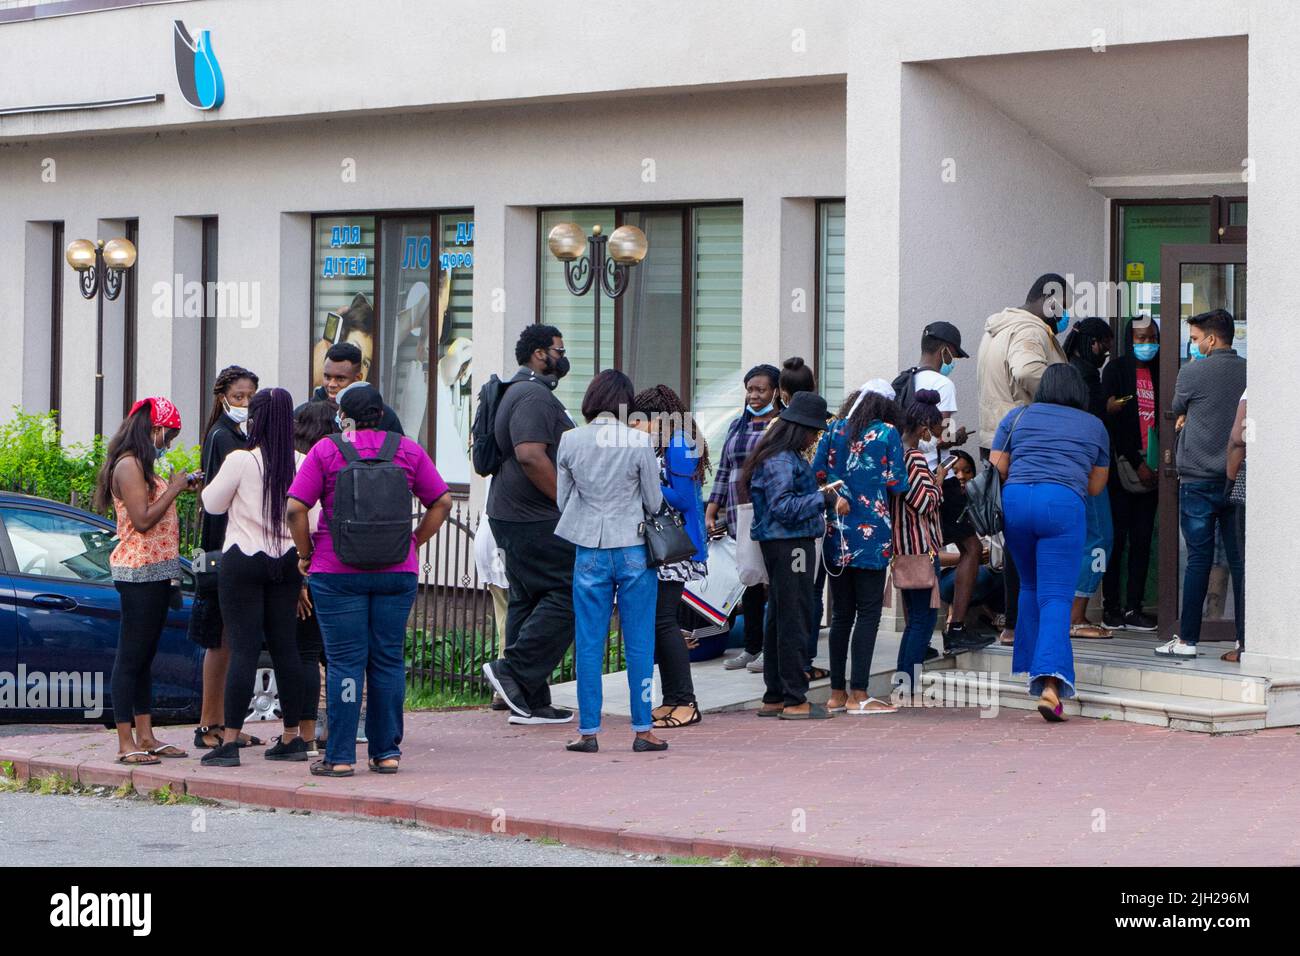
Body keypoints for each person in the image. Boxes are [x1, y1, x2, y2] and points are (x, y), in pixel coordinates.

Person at [287, 382, 453, 776]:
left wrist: (305, 555)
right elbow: (442, 502)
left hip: (336, 573)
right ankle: (386, 752)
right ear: (381, 414)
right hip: (397, 572)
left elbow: (295, 508)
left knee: (345, 663)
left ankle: (341, 757)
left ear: (342, 416)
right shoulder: (408, 450)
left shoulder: (326, 450)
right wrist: (414, 541)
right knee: (388, 660)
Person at [990, 364, 1109, 722]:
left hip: (1015, 504)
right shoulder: (1094, 426)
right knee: (1057, 596)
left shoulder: (1017, 416)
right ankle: (1051, 686)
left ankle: (1032, 666)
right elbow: (1095, 486)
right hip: (1061, 505)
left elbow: (998, 466)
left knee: (1030, 586)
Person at [556, 371, 666, 754]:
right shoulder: (639, 441)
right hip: (634, 546)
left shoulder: (570, 440)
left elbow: (561, 500)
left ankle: (588, 731)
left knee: (588, 642)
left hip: (589, 549)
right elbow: (653, 502)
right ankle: (642, 729)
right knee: (639, 641)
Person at [199, 388, 309, 767]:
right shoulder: (302, 461)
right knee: (285, 648)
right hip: (287, 563)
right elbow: (315, 516)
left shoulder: (241, 460)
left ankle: (228, 742)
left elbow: (211, 504)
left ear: (257, 418)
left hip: (243, 560)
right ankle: (293, 738)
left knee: (244, 649)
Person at [480, 325, 577, 725]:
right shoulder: (533, 396)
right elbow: (531, 456)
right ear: (540, 354)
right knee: (571, 592)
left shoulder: (518, 391)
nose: (562, 356)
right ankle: (514, 671)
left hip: (512, 514)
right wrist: (567, 503)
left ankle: (529, 700)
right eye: (559, 349)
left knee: (528, 598)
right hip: (533, 517)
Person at [93, 397, 194, 764]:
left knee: (145, 656)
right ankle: (125, 742)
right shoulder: (129, 465)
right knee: (130, 657)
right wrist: (175, 488)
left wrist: (178, 487)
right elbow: (142, 519)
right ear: (154, 428)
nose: (167, 443)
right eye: (168, 436)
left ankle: (147, 736)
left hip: (157, 571)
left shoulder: (142, 464)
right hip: (138, 573)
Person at [976, 273, 1070, 647]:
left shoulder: (999, 328)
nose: (1064, 316)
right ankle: (1018, 623)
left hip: (997, 438)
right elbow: (1028, 371)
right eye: (1062, 306)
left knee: (1015, 535)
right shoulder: (1030, 331)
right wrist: (1066, 387)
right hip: (1023, 441)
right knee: (1026, 538)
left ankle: (1015, 621)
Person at [812, 381, 907, 715]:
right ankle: (859, 694)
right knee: (868, 614)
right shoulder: (888, 434)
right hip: (872, 535)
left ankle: (836, 693)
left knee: (840, 615)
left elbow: (817, 476)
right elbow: (898, 483)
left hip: (836, 533)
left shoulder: (833, 429)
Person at [1157, 309, 1247, 658]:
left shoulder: (1192, 371)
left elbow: (1176, 407)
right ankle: (1244, 641)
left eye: (1195, 339)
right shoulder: (1248, 371)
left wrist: (1186, 418)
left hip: (1196, 479)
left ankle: (1187, 641)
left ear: (1211, 339)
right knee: (1239, 562)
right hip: (1236, 478)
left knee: (1198, 559)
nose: (1193, 346)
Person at [742, 391, 837, 720]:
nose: (815, 437)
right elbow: (784, 507)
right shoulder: (784, 459)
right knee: (795, 616)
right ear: (801, 429)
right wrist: (823, 499)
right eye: (814, 430)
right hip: (791, 543)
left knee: (779, 617)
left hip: (779, 544)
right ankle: (795, 697)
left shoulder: (777, 454)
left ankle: (775, 695)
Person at [898, 322, 987, 653]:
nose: (954, 362)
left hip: (908, 479)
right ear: (944, 350)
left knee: (916, 558)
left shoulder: (906, 379)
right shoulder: (942, 384)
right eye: (954, 356)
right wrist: (957, 436)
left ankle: (917, 639)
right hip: (937, 478)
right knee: (972, 549)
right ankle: (957, 628)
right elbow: (942, 435)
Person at [193, 365, 262, 751]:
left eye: (251, 396)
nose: (245, 403)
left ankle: (222, 720)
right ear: (223, 398)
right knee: (220, 638)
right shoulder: (224, 437)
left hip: (231, 545)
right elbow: (220, 500)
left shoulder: (238, 434)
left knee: (231, 639)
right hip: (224, 547)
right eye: (238, 397)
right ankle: (209, 724)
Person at [632, 385, 709, 730]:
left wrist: (643, 479)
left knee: (664, 623)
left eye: (640, 421)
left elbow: (680, 498)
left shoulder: (679, 444)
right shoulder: (668, 443)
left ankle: (685, 701)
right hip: (666, 546)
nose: (634, 428)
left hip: (676, 546)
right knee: (660, 623)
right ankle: (672, 699)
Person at [709, 364, 781, 673]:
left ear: (775, 392)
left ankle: (771, 649)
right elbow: (724, 469)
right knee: (750, 582)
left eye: (761, 390)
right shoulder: (737, 425)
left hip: (770, 512)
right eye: (750, 389)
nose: (754, 395)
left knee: (773, 584)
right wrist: (713, 508)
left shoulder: (779, 426)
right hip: (740, 514)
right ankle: (751, 648)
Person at [1101, 315, 1160, 632]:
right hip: (1122, 469)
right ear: (1129, 340)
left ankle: (1134, 608)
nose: (1147, 343)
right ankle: (1111, 608)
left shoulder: (1161, 371)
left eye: (1152, 337)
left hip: (1155, 468)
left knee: (1142, 541)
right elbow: (1111, 417)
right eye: (1140, 338)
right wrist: (1135, 460)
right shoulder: (1116, 370)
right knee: (1117, 540)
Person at [778, 356, 831, 681]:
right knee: (808, 595)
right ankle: (801, 663)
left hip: (792, 527)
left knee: (788, 599)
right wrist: (823, 496)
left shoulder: (776, 427)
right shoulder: (829, 424)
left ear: (782, 393)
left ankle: (791, 667)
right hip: (811, 521)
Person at [1063, 317, 1116, 639]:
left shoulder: (1065, 370)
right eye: (1105, 344)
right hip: (1087, 469)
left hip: (1062, 472)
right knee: (1100, 539)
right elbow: (1093, 423)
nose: (1107, 351)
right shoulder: (1085, 376)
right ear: (1093, 343)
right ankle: (1077, 615)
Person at [892, 390, 948, 688]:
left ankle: (904, 679)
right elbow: (925, 502)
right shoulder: (912, 457)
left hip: (905, 548)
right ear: (923, 426)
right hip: (919, 549)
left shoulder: (897, 453)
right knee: (924, 620)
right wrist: (938, 483)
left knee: (916, 620)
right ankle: (907, 682)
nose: (934, 434)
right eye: (934, 428)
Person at [291, 400, 337, 753]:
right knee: (336, 653)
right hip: (338, 568)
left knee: (308, 651)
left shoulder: (307, 464)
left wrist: (302, 568)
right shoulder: (336, 462)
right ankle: (342, 719)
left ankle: (313, 724)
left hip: (313, 568)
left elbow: (298, 515)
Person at [938, 451, 1004, 623]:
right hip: (948, 576)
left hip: (990, 568)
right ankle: (958, 618)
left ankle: (995, 615)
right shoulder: (943, 506)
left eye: (967, 471)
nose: (961, 476)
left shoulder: (982, 503)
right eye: (954, 471)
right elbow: (931, 556)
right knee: (979, 574)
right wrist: (967, 558)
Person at [297, 340, 405, 435]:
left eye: (340, 378)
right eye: (327, 377)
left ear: (358, 378)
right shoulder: (303, 415)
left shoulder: (382, 415)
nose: (331, 384)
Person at [1223, 390, 1248, 662]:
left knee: (1245, 567)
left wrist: (1229, 482)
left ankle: (1244, 643)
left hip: (1248, 485)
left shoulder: (1252, 390)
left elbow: (1239, 439)